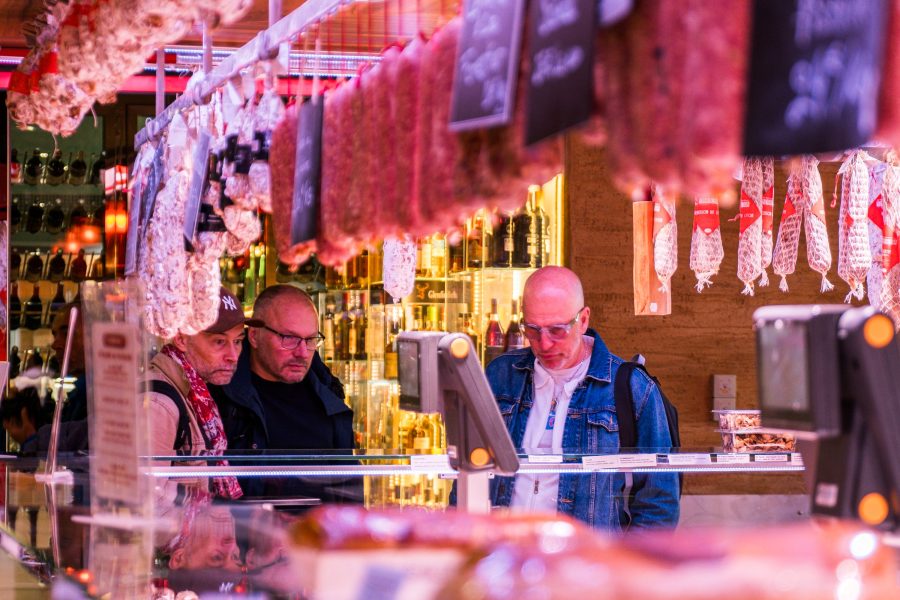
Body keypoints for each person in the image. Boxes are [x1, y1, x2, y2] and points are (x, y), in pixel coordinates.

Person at [486, 266, 680, 530]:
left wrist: (625, 567)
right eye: (532, 329)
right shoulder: (500, 375)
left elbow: (658, 503)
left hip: (587, 565)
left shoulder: (632, 388)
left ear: (584, 320)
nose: (544, 344)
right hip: (504, 558)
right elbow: (467, 474)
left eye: (557, 330)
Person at [210, 284, 356, 502]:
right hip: (250, 533)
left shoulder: (328, 394)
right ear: (255, 336)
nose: (302, 352)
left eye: (310, 340)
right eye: (289, 338)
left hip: (319, 533)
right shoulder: (222, 395)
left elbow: (349, 485)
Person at [148, 287, 249, 501]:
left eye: (238, 341)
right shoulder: (159, 403)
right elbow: (148, 504)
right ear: (181, 339)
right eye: (219, 342)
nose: (232, 356)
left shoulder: (196, 393)